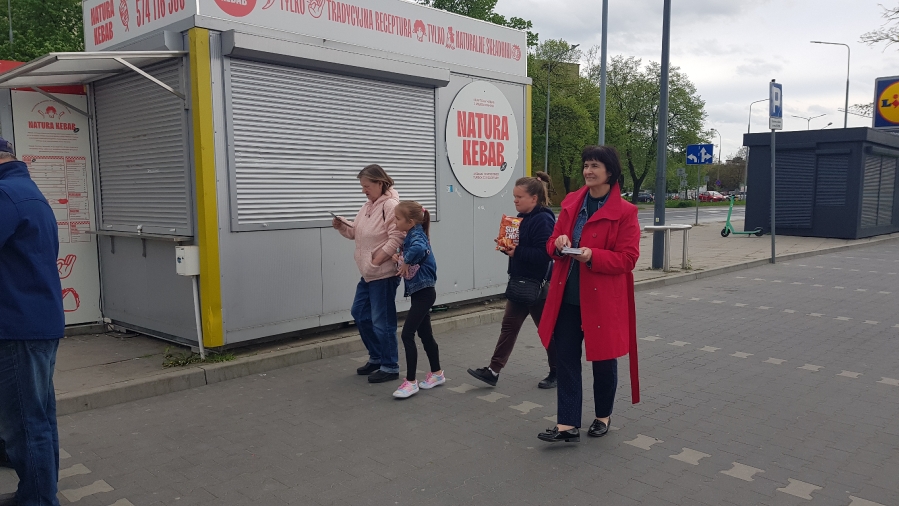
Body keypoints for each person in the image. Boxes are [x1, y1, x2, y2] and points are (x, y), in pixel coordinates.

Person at [536, 145, 640, 443]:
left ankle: (603, 415)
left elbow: (628, 258)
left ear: (610, 171)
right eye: (586, 165)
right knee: (566, 359)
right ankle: (567, 424)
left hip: (601, 300)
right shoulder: (572, 202)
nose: (588, 171)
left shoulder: (626, 212)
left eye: (594, 165)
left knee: (603, 360)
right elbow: (552, 241)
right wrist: (558, 244)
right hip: (567, 297)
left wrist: (593, 255)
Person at [0, 136, 65, 505]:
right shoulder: (28, 192)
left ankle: (38, 500)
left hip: (16, 327)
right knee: (39, 418)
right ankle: (39, 492)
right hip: (37, 322)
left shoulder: (5, 195)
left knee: (25, 424)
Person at [467, 174, 557, 388]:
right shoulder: (520, 217)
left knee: (546, 331)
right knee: (508, 327)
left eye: (519, 197)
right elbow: (519, 249)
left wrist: (517, 252)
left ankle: (558, 371)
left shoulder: (543, 219)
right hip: (519, 283)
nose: (515, 200)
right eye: (514, 196)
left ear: (534, 198)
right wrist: (506, 247)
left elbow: (545, 254)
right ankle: (493, 371)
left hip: (537, 286)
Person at [334, 165, 405, 383]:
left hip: (382, 274)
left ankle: (390, 366)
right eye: (362, 186)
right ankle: (377, 357)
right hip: (368, 274)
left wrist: (376, 261)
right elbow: (357, 233)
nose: (363, 190)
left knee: (382, 322)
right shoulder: (368, 206)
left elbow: (397, 237)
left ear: (379, 183)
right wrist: (342, 225)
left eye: (366, 186)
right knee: (360, 314)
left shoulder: (391, 205)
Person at [389, 201, 443, 398]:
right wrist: (399, 257)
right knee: (425, 335)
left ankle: (411, 382)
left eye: (397, 219)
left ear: (410, 222)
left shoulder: (417, 236)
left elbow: (419, 249)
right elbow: (410, 252)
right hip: (420, 293)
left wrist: (407, 260)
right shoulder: (411, 235)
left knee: (407, 334)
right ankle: (437, 374)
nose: (395, 222)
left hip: (424, 293)